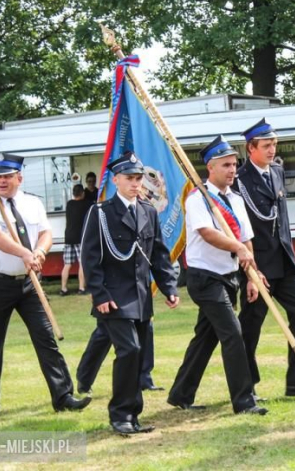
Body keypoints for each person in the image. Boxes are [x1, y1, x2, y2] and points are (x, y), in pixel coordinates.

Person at [0, 153, 90, 416]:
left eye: (7, 176)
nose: (1, 181)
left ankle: (63, 396)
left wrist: (38, 252)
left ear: (19, 177)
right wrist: (24, 253)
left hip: (29, 284)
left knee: (45, 337)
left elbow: (46, 233)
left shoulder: (32, 202)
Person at [80, 151, 179, 435]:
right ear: (116, 180)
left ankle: (133, 414)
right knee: (129, 350)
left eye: (138, 178)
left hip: (140, 296)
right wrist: (99, 295)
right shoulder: (100, 212)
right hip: (113, 297)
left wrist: (169, 287)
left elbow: (158, 255)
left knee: (139, 356)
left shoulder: (148, 210)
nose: (136, 184)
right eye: (129, 179)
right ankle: (120, 414)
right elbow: (90, 257)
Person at [168, 135, 267, 415]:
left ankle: (180, 394)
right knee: (233, 334)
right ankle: (244, 401)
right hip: (205, 278)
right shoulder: (198, 199)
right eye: (226, 165)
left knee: (206, 337)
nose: (232, 170)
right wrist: (237, 247)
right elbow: (207, 233)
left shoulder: (235, 200)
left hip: (229, 276)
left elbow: (246, 239)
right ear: (210, 168)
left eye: (235, 164)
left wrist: (252, 276)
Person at [234, 119, 295, 399]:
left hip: (284, 260)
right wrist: (249, 271)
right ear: (251, 148)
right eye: (266, 145)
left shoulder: (277, 172)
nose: (272, 150)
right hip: (257, 265)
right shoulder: (239, 180)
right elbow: (239, 229)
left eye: (274, 145)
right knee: (251, 324)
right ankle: (247, 384)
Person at [75, 319, 161, 394]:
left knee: (145, 328)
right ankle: (85, 379)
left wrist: (170, 298)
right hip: (113, 302)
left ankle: (143, 378)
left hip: (141, 301)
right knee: (105, 332)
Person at [60, 184, 92, 296]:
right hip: (80, 238)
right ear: (82, 193)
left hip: (68, 237)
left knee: (67, 264)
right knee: (82, 263)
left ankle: (63, 288)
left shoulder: (69, 204)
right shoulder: (86, 204)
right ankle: (81, 288)